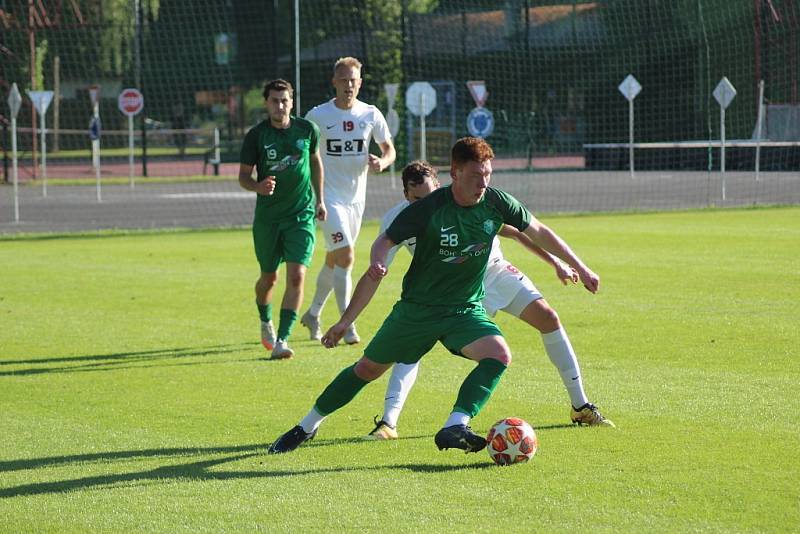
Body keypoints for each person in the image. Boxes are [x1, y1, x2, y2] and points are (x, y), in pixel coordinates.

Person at [267, 137, 600, 455]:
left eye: (486, 174)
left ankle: (455, 425)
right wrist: (355, 303)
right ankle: (307, 425)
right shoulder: (428, 209)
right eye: (474, 175)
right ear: (454, 173)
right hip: (417, 311)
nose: (482, 182)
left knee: (498, 354)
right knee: (368, 369)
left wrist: (580, 268)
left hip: (463, 310)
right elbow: (384, 241)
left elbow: (539, 231)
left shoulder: (497, 203)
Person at [363, 161, 613, 442]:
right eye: (417, 198)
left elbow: (517, 230)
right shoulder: (401, 218)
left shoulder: (465, 202)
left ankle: (580, 405)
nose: (425, 201)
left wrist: (556, 263)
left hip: (495, 272)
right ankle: (388, 422)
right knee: (412, 347)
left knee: (548, 318)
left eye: (430, 193)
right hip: (449, 291)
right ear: (406, 195)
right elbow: (380, 261)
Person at [299, 57, 396, 346]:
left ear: (360, 83)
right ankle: (347, 324)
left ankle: (313, 313)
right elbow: (302, 152)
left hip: (356, 201)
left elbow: (389, 149)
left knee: (335, 258)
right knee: (347, 256)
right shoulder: (318, 116)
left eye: (353, 80)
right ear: (334, 82)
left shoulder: (370, 114)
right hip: (327, 198)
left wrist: (383, 161)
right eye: (343, 80)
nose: (348, 85)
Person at [238, 79, 326, 360]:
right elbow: (243, 177)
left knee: (298, 275)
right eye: (275, 100)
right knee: (269, 278)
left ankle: (283, 340)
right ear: (267, 103)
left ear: (292, 101)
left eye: (284, 100)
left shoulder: (307, 129)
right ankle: (265, 320)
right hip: (268, 220)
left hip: (301, 215)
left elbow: (315, 162)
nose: (280, 105)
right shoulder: (256, 136)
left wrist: (320, 199)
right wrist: (258, 186)